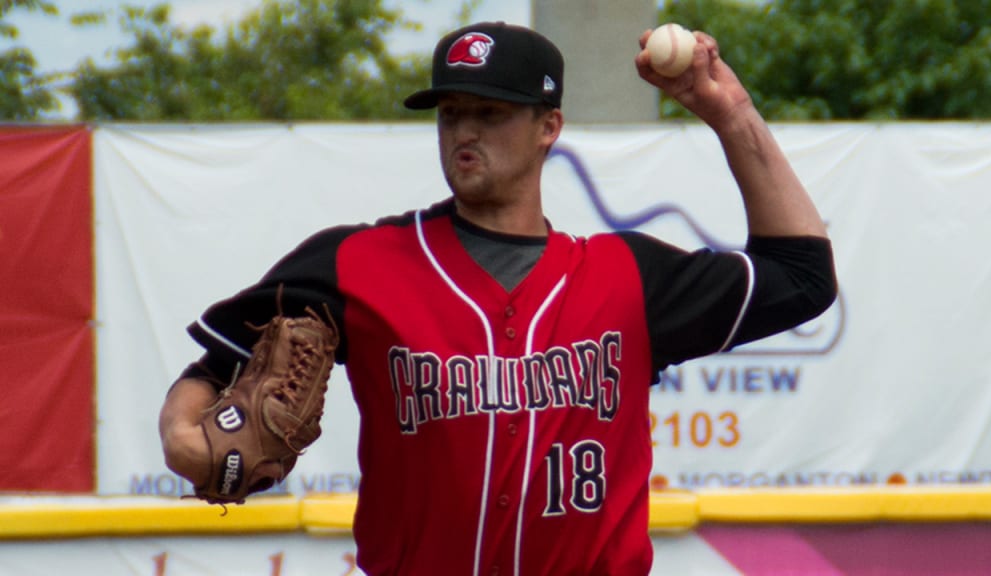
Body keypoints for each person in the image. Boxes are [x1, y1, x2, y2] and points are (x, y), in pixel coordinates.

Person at [159, 21, 836, 575]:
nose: (464, 132)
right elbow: (209, 371)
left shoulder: (626, 277)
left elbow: (802, 276)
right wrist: (183, 442)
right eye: (451, 114)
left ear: (549, 127)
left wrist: (732, 113)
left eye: (490, 112)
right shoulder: (354, 263)